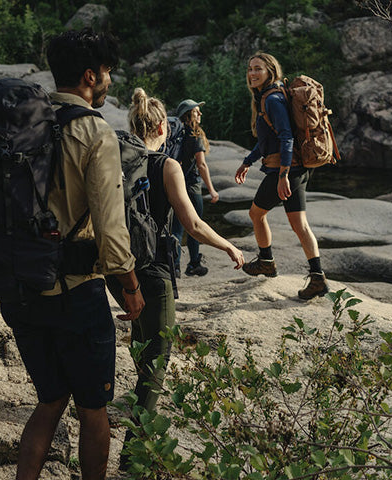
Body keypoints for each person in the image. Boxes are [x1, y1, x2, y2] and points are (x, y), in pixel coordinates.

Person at [0, 29, 145, 480]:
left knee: (50, 400)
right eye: (107, 73)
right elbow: (111, 228)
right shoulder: (93, 131)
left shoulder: (23, 122)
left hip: (22, 289)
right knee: (93, 409)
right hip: (76, 295)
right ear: (89, 75)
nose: (109, 82)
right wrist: (131, 288)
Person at [119, 88, 245, 465]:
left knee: (142, 345)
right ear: (162, 126)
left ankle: (136, 420)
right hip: (155, 271)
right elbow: (192, 223)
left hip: (123, 270)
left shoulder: (119, 161)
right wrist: (229, 247)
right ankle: (133, 458)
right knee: (158, 359)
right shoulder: (166, 166)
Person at [234, 51, 328, 300]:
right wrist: (247, 161)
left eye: (258, 69)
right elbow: (268, 140)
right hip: (296, 168)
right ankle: (317, 278)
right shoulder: (272, 95)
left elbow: (285, 137)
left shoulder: (272, 99)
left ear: (270, 72)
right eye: (250, 68)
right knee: (300, 225)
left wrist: (283, 175)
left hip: (285, 170)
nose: (252, 73)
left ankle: (266, 261)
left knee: (256, 214)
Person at [169, 98, 220, 277]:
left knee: (176, 227)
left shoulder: (176, 133)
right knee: (195, 225)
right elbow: (202, 165)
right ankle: (193, 264)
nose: (200, 114)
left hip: (174, 184)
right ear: (189, 114)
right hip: (191, 186)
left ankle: (173, 266)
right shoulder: (195, 134)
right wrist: (212, 189)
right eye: (197, 111)